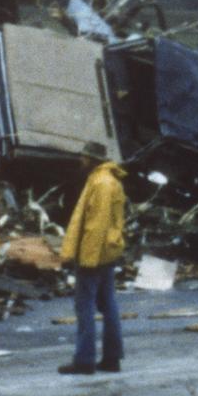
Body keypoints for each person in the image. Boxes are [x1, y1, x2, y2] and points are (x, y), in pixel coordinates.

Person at [59, 145, 126, 375]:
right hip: (108, 251)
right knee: (108, 304)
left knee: (85, 306)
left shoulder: (100, 183)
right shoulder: (108, 179)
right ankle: (112, 358)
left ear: (91, 159)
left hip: (95, 253)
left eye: (83, 156)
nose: (80, 159)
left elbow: (95, 226)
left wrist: (86, 258)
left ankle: (85, 360)